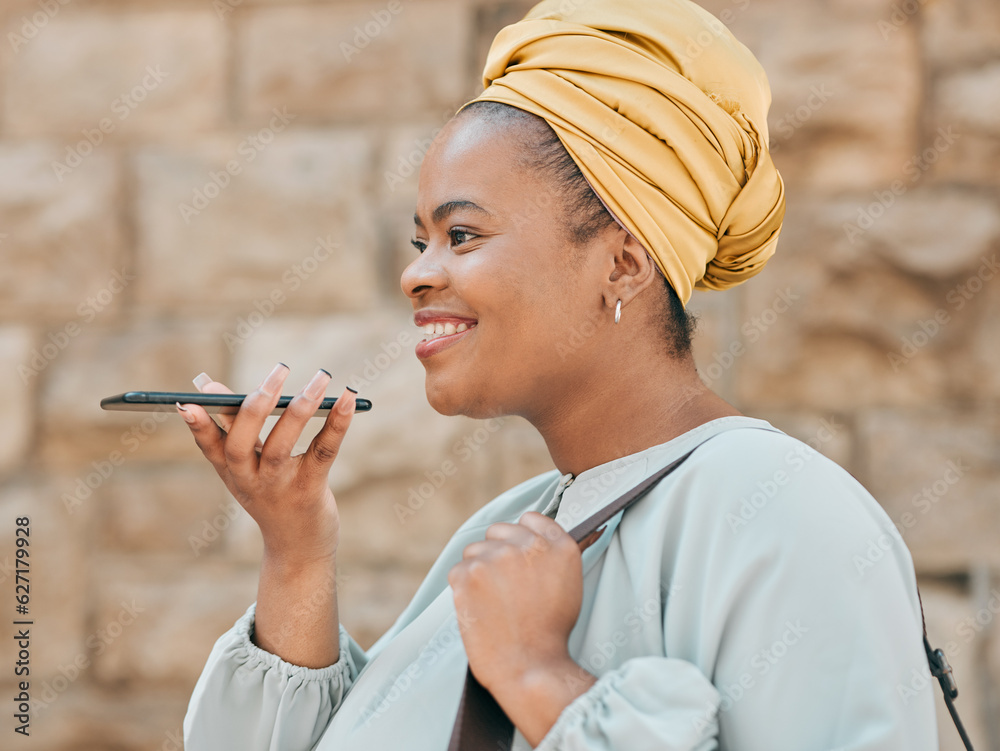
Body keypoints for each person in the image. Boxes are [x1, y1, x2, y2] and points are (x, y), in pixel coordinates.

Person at [181, 0, 939, 748]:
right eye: (423, 240)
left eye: (462, 233)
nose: (416, 274)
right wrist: (297, 551)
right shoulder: (508, 530)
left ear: (622, 263)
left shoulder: (785, 515)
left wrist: (538, 674)